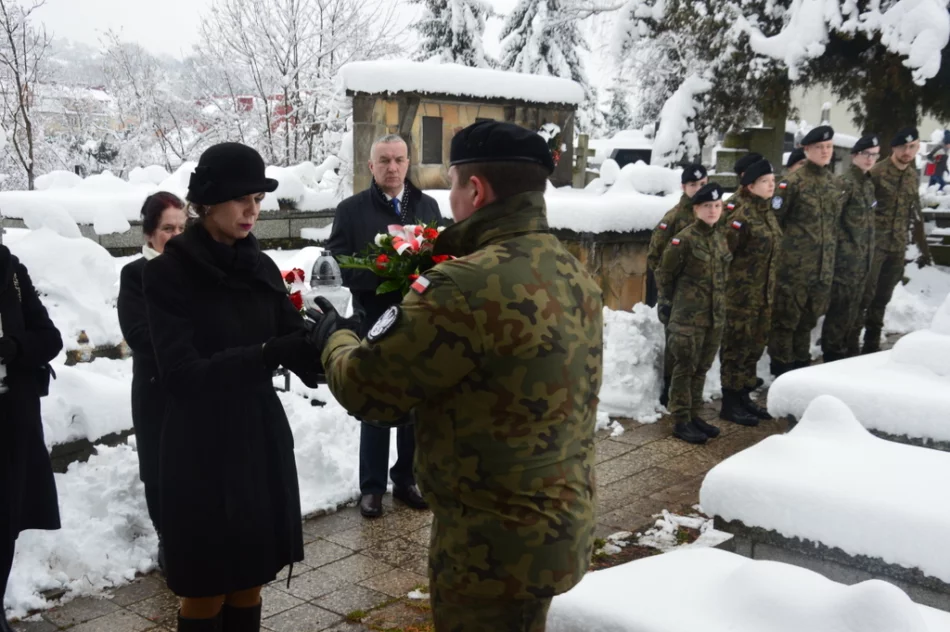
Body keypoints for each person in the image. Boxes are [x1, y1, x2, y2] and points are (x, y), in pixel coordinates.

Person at [315, 120, 603, 632]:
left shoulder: (463, 286)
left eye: (452, 184)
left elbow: (369, 390)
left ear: (475, 189)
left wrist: (333, 337)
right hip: (557, 522)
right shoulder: (569, 268)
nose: (447, 197)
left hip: (489, 545)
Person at [143, 143, 321, 632]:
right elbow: (181, 374)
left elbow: (293, 340)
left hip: (257, 438)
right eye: (241, 198)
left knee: (250, 578)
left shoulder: (260, 267)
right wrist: (265, 354)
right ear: (208, 201)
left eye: (258, 198)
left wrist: (332, 343)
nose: (253, 210)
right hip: (200, 449)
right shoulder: (167, 274)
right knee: (206, 589)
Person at [326, 133, 442, 519]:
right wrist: (380, 271)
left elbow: (440, 260)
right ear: (371, 166)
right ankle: (372, 487)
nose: (392, 167)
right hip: (374, 321)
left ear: (408, 163)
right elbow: (338, 264)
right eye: (384, 161)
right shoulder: (351, 210)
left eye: (399, 160)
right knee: (375, 404)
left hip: (418, 322)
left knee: (415, 404)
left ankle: (406, 478)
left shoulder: (427, 206)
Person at [117, 191, 187, 571]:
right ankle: (168, 538)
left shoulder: (198, 268)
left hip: (197, 387)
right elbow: (139, 334)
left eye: (181, 227)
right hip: (156, 388)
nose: (175, 236)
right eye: (166, 229)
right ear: (148, 234)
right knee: (159, 470)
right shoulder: (135, 275)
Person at [0, 242, 63, 632]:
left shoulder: (9, 270)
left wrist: (16, 346)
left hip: (10, 421)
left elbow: (50, 338)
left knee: (5, 521)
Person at [656, 182, 731, 444]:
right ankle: (680, 419)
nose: (713, 210)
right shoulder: (683, 240)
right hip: (688, 317)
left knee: (701, 368)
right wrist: (667, 302)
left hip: (713, 316)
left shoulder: (719, 237)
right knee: (684, 367)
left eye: (717, 205)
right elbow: (665, 274)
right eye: (707, 206)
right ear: (696, 208)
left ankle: (694, 414)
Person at [768, 125, 842, 376]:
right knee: (785, 322)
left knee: (808, 322)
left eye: (828, 147)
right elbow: (775, 223)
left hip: (822, 269)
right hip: (793, 270)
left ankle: (800, 368)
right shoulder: (792, 184)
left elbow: (834, 225)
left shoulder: (834, 184)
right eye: (819, 147)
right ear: (807, 150)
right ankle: (781, 370)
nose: (825, 151)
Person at [720, 159, 782, 426]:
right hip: (740, 296)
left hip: (762, 294)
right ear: (750, 185)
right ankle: (730, 402)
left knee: (753, 346)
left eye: (772, 181)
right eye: (765, 182)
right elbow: (724, 255)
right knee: (736, 346)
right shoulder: (740, 215)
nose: (772, 186)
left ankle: (744, 396)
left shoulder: (765, 211)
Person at [858, 127, 926, 354]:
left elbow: (912, 211)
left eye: (912, 147)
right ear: (893, 148)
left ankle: (870, 345)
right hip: (874, 246)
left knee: (883, 299)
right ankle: (847, 347)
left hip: (896, 248)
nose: (908, 152)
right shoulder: (876, 173)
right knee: (864, 298)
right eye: (903, 147)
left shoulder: (911, 176)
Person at [647, 164, 708, 407]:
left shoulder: (713, 214)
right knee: (677, 345)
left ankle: (692, 393)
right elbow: (655, 256)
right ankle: (669, 391)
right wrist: (669, 290)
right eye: (694, 185)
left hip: (704, 295)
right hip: (679, 296)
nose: (699, 189)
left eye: (703, 184)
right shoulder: (674, 218)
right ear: (684, 187)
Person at [821, 134, 879, 362]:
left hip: (862, 263)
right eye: (866, 154)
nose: (870, 159)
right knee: (840, 315)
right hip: (845, 264)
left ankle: (848, 356)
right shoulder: (845, 183)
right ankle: (832, 358)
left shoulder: (867, 184)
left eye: (874, 155)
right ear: (855, 155)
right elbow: (832, 222)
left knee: (855, 315)